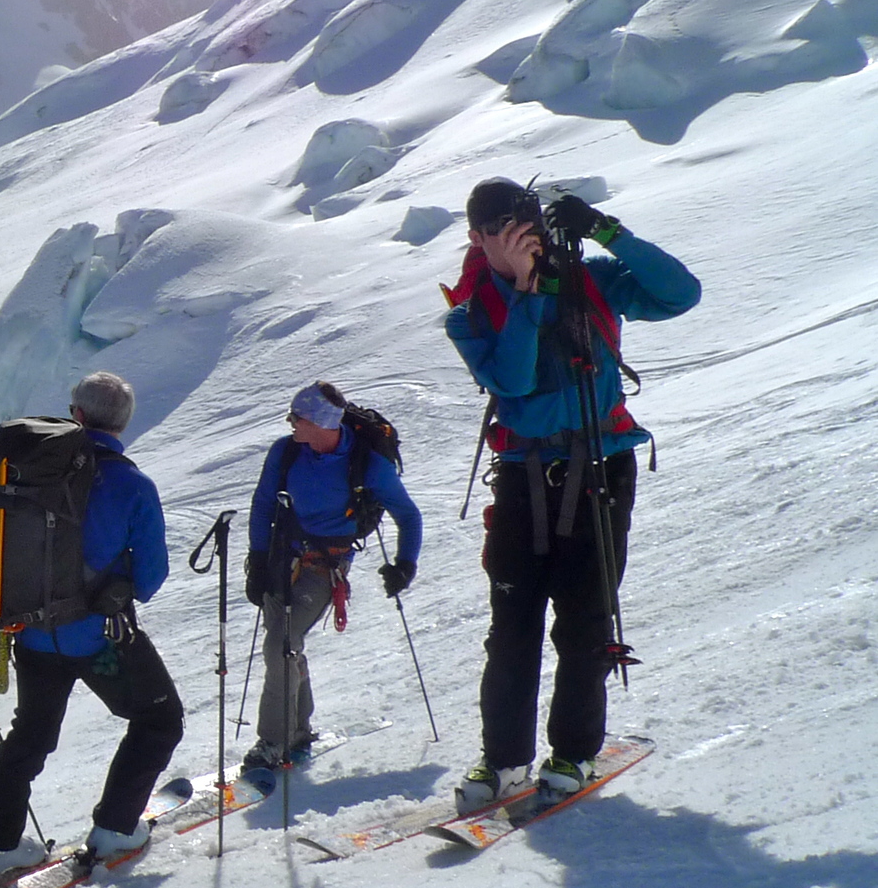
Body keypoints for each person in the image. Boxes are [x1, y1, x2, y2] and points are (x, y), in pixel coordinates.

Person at [445, 180, 698, 804]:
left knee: (584, 622)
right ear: (477, 238)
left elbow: (680, 294)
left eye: (524, 221)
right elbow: (514, 379)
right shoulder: (470, 311)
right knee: (512, 628)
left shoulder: (589, 278)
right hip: (523, 480)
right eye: (500, 227)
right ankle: (503, 760)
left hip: (600, 471)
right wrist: (529, 295)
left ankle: (574, 753)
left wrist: (608, 231)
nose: (517, 234)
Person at [0, 371, 186, 879]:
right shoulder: (132, 483)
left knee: (30, 738)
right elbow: (151, 577)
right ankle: (114, 829)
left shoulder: (27, 468)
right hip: (98, 638)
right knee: (158, 720)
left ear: (76, 416)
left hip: (31, 634)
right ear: (123, 423)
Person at [239, 381, 424, 794]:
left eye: (297, 418)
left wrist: (405, 564)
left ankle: (274, 740)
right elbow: (263, 503)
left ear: (320, 423)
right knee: (285, 643)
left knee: (281, 645)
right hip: (280, 559)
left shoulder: (368, 465)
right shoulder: (285, 452)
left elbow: (408, 516)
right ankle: (297, 730)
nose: (291, 425)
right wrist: (256, 559)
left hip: (325, 567)